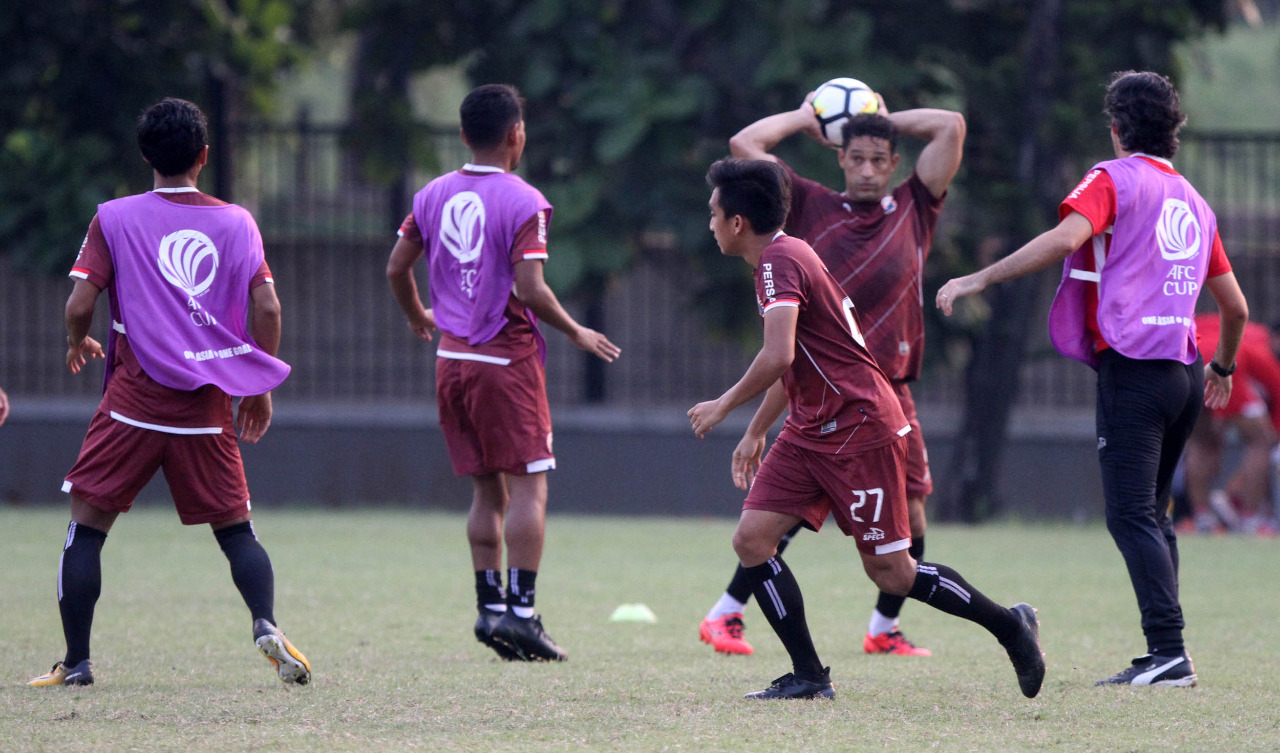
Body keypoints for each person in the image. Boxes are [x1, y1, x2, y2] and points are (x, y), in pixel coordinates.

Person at [937, 71, 1249, 687]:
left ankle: (1168, 653)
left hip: (1133, 371)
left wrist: (978, 279)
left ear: (1115, 128)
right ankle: (1168, 652)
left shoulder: (1113, 180)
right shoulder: (1196, 201)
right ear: (1174, 132)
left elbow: (1063, 240)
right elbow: (1235, 309)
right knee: (1153, 515)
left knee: (1130, 515)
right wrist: (1223, 368)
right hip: (1185, 373)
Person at [689, 157, 1043, 700]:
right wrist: (758, 429)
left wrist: (724, 406)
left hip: (859, 428)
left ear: (737, 222)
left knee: (893, 573)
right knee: (753, 539)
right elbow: (797, 361)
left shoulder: (778, 263)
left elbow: (778, 352)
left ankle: (1011, 627)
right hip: (812, 429)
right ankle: (809, 676)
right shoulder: (785, 256)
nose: (708, 222)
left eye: (713, 213)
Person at [29, 98, 310, 687]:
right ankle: (265, 622)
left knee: (86, 529)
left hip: (132, 402)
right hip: (206, 406)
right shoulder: (237, 222)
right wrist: (257, 387)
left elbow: (79, 303)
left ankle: (76, 663)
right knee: (237, 533)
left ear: (144, 155)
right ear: (204, 157)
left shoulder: (114, 216)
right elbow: (269, 306)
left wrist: (78, 340)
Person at [698, 91, 965, 657]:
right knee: (780, 514)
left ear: (893, 164)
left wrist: (876, 120)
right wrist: (812, 117)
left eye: (878, 158)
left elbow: (950, 126)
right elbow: (745, 149)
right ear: (839, 157)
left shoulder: (913, 207)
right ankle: (730, 611)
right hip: (827, 389)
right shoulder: (809, 208)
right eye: (856, 156)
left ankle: (882, 628)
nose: (867, 169)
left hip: (885, 390)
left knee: (909, 517)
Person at [386, 84, 620, 663]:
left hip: (452, 361)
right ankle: (521, 615)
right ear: (517, 134)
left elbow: (396, 267)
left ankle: (488, 609)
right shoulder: (525, 202)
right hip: (503, 360)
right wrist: (576, 331)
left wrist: (419, 315)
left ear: (464, 135)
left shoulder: (431, 194)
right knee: (530, 486)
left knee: (486, 489)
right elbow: (532, 289)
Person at [1180, 316, 1280, 535]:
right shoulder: (1265, 349)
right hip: (1222, 363)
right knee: (1261, 440)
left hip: (1186, 360)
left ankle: (1202, 517)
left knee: (1201, 441)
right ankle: (1250, 519)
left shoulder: (1247, 330)